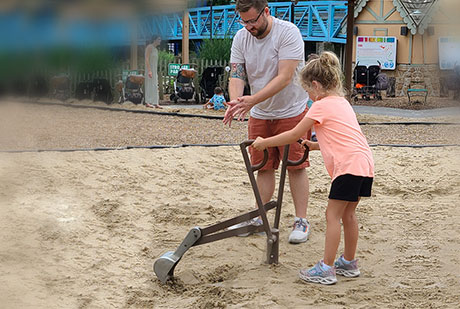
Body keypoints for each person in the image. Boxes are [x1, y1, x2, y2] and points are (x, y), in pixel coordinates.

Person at [252, 51, 374, 285]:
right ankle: (349, 262)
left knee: (332, 216)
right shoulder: (343, 103)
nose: (308, 95)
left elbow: (293, 134)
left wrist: (264, 142)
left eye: (307, 90)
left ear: (316, 86)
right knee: (349, 214)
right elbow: (343, 138)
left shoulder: (320, 106)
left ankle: (326, 268)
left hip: (347, 167)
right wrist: (315, 146)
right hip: (364, 163)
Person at [223, 0, 311, 243]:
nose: (249, 26)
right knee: (263, 165)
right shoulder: (241, 38)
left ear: (267, 11)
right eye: (244, 21)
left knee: (295, 164)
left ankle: (301, 220)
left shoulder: (288, 32)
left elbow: (284, 77)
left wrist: (251, 101)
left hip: (291, 109)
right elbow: (237, 74)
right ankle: (260, 216)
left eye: (253, 20)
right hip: (260, 112)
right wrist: (236, 102)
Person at [145, 35, 162, 108]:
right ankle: (148, 102)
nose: (160, 41)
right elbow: (146, 58)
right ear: (154, 40)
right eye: (158, 39)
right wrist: (149, 70)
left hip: (154, 70)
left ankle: (155, 102)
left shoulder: (155, 49)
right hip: (150, 69)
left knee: (155, 85)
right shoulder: (149, 47)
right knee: (149, 85)